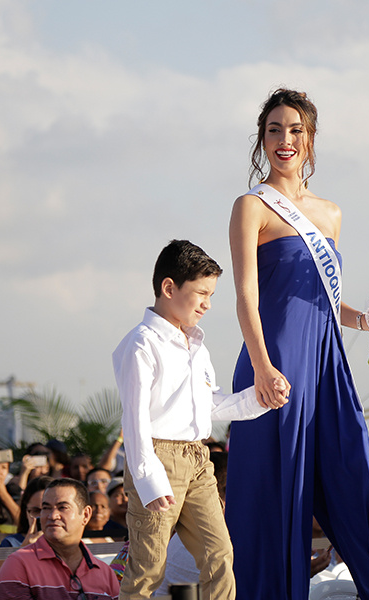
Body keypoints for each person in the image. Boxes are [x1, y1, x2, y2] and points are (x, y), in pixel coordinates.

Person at [225, 88, 369, 600]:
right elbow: (245, 296)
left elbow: (328, 304)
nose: (285, 140)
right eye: (274, 130)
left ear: (310, 140)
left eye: (295, 130)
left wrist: (365, 320)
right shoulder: (251, 206)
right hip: (273, 365)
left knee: (351, 474)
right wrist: (262, 368)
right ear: (263, 140)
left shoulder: (331, 214)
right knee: (272, 496)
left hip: (325, 363)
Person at [112, 239, 273, 600]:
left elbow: (210, 406)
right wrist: (149, 479)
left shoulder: (196, 345)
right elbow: (134, 420)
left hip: (199, 459)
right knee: (147, 569)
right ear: (169, 288)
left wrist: (261, 398)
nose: (207, 304)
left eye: (211, 294)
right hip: (157, 457)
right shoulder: (141, 343)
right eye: (201, 293)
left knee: (220, 555)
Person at [0, 478, 119, 600]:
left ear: (86, 515)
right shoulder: (18, 564)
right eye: (46, 508)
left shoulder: (105, 573)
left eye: (63, 507)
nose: (52, 516)